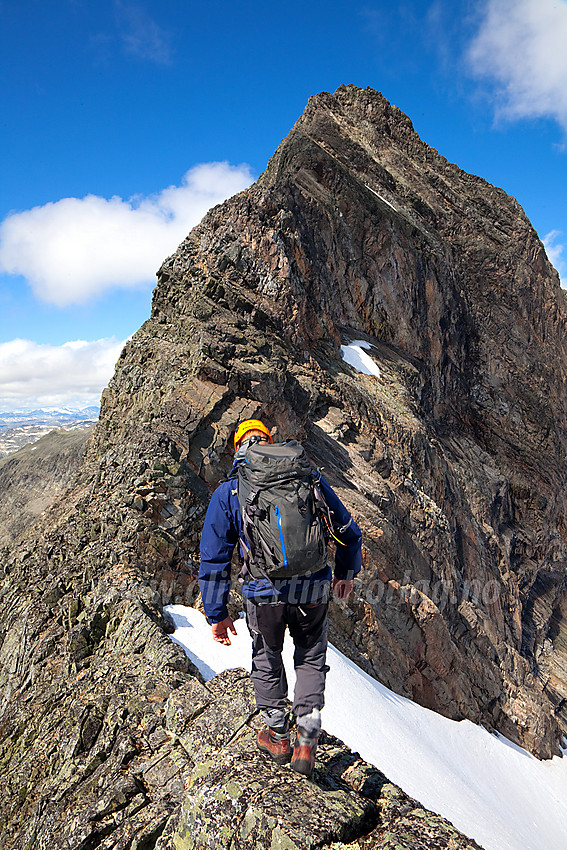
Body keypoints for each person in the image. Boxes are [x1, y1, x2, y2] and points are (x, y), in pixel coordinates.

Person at [198, 418, 362, 776]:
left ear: (239, 446)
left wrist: (217, 613)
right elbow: (350, 531)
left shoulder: (231, 491)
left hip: (264, 593)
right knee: (310, 657)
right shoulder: (309, 477)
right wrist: (345, 573)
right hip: (314, 589)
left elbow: (214, 556)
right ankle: (307, 738)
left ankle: (277, 735)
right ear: (271, 442)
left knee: (267, 656)